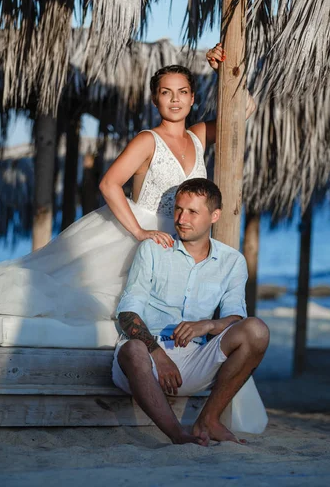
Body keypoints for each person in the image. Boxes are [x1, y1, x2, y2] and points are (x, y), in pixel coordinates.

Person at [0, 43, 255, 321]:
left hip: (180, 240)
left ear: (193, 98)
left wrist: (223, 72)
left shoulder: (198, 135)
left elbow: (246, 110)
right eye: (166, 93)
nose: (175, 99)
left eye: (182, 92)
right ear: (155, 99)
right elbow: (109, 184)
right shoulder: (147, 140)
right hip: (139, 236)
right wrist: (141, 232)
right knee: (80, 297)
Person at [113, 178, 270, 446]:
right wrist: (158, 355)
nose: (181, 218)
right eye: (178, 209)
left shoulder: (232, 262)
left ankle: (209, 419)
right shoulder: (152, 249)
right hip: (146, 361)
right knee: (131, 350)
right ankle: (178, 435)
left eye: (192, 212)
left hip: (197, 359)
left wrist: (207, 326)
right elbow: (127, 315)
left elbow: (236, 319)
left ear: (215, 215)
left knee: (257, 330)